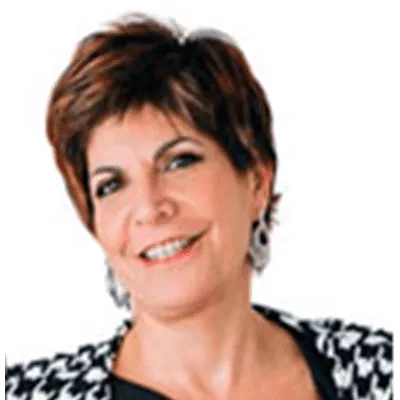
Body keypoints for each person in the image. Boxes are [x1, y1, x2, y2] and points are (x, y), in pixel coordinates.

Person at [5, 12, 393, 400]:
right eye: (111, 185)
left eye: (179, 162)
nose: (149, 207)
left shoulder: (382, 372)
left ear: (257, 182)